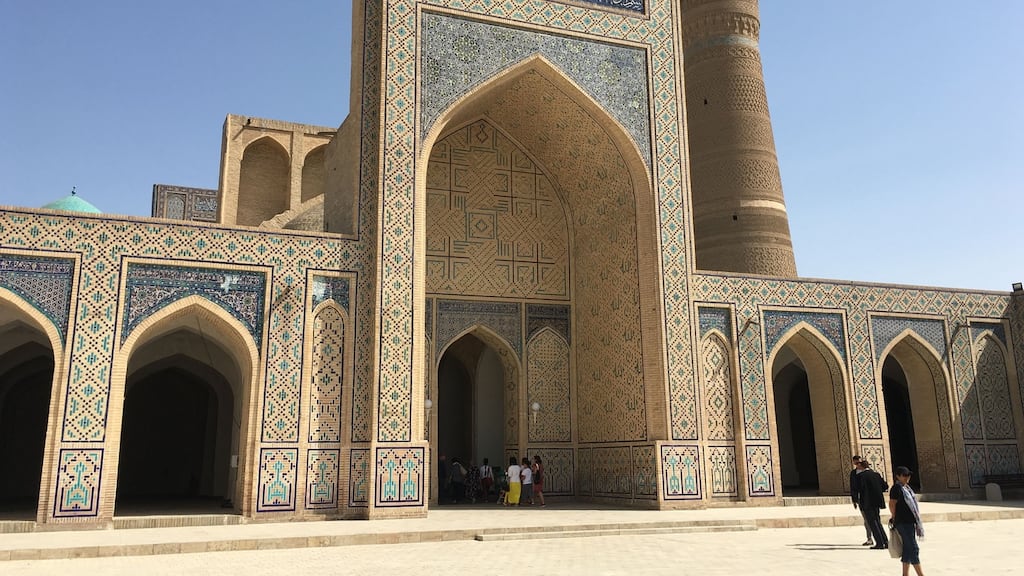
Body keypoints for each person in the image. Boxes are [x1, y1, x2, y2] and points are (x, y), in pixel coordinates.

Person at [889, 466, 925, 576]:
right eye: (904, 475)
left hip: (909, 522)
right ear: (897, 476)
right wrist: (894, 517)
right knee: (913, 548)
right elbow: (892, 504)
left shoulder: (907, 488)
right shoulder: (896, 488)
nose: (907, 477)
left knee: (908, 548)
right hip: (902, 522)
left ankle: (905, 574)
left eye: (908, 475)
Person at [857, 460, 889, 550]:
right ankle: (885, 542)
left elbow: (859, 489)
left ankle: (879, 543)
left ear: (862, 467)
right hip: (877, 502)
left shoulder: (861, 476)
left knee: (872, 522)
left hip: (867, 502)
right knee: (877, 521)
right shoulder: (876, 474)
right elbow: (885, 486)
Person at [850, 455, 873, 546]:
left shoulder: (870, 473)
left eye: (859, 463)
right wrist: (854, 499)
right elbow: (853, 487)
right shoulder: (853, 473)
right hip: (861, 500)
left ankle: (879, 538)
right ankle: (870, 538)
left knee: (873, 519)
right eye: (856, 463)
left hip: (871, 499)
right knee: (866, 519)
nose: (857, 464)